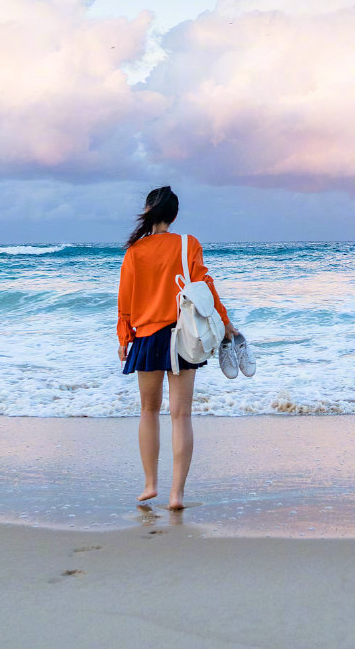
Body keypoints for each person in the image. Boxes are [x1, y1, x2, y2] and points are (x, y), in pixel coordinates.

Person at [116, 185, 233, 510]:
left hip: (148, 338)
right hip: (183, 336)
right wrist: (225, 323)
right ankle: (176, 494)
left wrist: (124, 338)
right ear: (174, 214)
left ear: (149, 211)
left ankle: (150, 484)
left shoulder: (134, 252)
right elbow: (205, 288)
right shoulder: (188, 243)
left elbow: (124, 301)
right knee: (181, 416)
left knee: (148, 411)